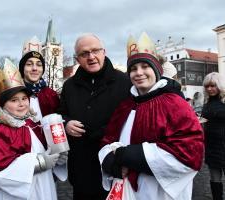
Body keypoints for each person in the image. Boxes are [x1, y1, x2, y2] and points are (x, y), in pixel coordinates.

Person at [99, 32, 204, 200]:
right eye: (133, 69)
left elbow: (190, 153)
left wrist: (129, 155)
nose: (138, 73)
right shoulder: (125, 105)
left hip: (158, 191)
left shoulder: (175, 104)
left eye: (144, 66)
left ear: (156, 69)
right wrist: (111, 164)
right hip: (126, 190)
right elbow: (107, 141)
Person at [58, 33, 131, 200]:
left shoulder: (124, 82)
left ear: (103, 52)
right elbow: (61, 113)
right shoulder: (69, 86)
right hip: (81, 165)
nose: (91, 57)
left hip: (112, 165)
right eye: (84, 54)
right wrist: (66, 123)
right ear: (78, 59)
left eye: (95, 51)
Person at [0, 59, 65, 200]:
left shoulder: (32, 123)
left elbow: (43, 151)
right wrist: (39, 163)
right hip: (19, 194)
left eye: (24, 98)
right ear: (3, 104)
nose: (21, 104)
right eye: (14, 100)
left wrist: (56, 157)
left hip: (44, 187)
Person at [19, 36, 59, 122]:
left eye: (39, 64)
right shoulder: (14, 95)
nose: (34, 68)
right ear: (23, 68)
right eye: (29, 64)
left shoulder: (52, 95)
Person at [201, 72, 225, 200]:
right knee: (214, 179)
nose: (209, 89)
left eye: (213, 86)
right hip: (211, 146)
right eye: (207, 86)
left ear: (220, 86)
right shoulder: (207, 103)